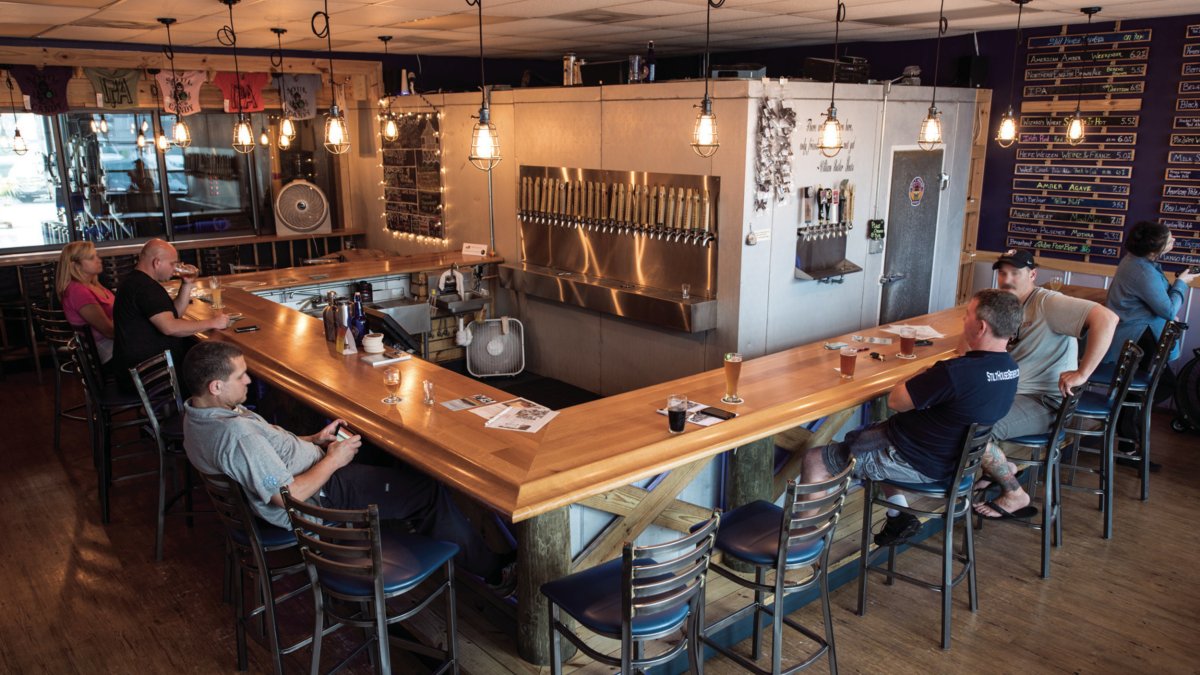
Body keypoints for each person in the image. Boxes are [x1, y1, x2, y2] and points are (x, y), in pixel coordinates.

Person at [181, 340, 514, 588]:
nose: (249, 382)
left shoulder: (197, 413)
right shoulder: (237, 435)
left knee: (390, 454)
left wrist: (315, 439)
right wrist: (333, 459)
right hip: (319, 499)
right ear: (216, 386)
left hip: (312, 468)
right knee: (428, 490)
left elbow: (267, 452)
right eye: (241, 377)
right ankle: (492, 571)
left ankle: (410, 521)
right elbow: (289, 495)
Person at [801, 289, 1022, 546]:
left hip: (915, 461)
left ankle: (802, 544)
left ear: (981, 326)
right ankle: (899, 514)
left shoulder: (954, 374)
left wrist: (921, 372)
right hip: (950, 459)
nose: (963, 321)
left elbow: (896, 401)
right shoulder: (1009, 369)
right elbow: (964, 372)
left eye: (967, 315)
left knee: (815, 460)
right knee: (874, 432)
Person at [973, 249, 1119, 519]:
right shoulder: (1010, 306)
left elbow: (1107, 319)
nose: (1006, 279)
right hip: (1016, 395)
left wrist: (1083, 372)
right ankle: (999, 467)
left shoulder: (1048, 303)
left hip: (1044, 401)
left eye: (1015, 273)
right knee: (958, 413)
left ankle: (1014, 492)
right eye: (1002, 273)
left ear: (1032, 275)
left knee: (974, 427)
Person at [112, 239, 228, 386]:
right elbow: (170, 327)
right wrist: (212, 322)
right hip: (147, 375)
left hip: (138, 368)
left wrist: (187, 284)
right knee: (212, 370)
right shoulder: (144, 288)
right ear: (157, 262)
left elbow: (174, 315)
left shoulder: (136, 281)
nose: (175, 269)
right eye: (172, 263)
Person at [1104, 221, 1196, 394]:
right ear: (1154, 249)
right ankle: (1126, 420)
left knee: (1134, 386)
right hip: (1140, 337)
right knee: (1159, 386)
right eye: (1169, 240)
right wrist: (1181, 283)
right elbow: (1168, 310)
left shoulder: (1133, 259)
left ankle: (1126, 419)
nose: (1174, 240)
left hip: (1132, 335)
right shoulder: (1144, 271)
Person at [56, 241, 115, 366]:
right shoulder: (78, 291)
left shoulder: (92, 284)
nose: (98, 260)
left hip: (114, 345)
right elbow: (109, 331)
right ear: (75, 265)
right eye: (91, 258)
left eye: (97, 256)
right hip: (107, 352)